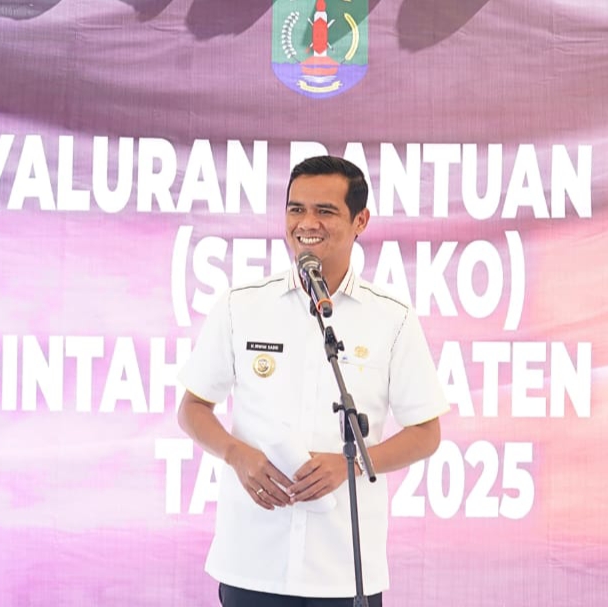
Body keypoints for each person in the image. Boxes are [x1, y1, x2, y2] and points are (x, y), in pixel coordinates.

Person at [177, 155, 449, 606]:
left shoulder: (392, 318)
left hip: (344, 570)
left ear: (360, 221)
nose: (306, 223)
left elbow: (426, 433)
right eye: (296, 209)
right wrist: (236, 454)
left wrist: (352, 464)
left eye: (325, 211)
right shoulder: (241, 305)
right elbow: (192, 408)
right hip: (252, 560)